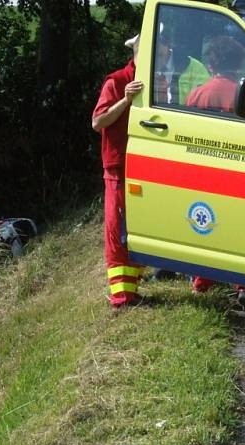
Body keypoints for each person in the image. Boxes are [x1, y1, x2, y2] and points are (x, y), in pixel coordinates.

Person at [185, 35, 245, 315]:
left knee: (203, 225)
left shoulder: (198, 94)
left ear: (211, 62)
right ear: (239, 62)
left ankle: (201, 281)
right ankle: (244, 287)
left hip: (204, 172)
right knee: (241, 228)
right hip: (239, 170)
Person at [91, 34, 145, 309]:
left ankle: (131, 291)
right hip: (118, 167)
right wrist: (125, 100)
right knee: (117, 229)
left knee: (137, 229)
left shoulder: (153, 79)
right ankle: (120, 297)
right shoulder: (116, 81)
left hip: (145, 165)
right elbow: (98, 121)